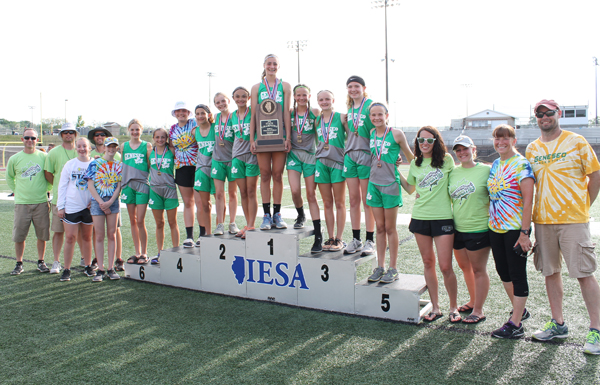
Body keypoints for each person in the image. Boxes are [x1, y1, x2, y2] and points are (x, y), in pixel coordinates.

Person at [526, 100, 600, 354]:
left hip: (573, 220)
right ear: (535, 117)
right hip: (543, 221)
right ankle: (558, 324)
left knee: (583, 273)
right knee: (550, 272)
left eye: (549, 113)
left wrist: (584, 205)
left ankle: (597, 330)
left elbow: (595, 174)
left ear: (558, 114)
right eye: (540, 114)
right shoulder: (532, 148)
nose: (544, 117)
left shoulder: (577, 141)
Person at [487, 124, 534, 339]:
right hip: (495, 228)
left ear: (514, 141)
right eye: (497, 138)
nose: (501, 142)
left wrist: (525, 232)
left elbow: (528, 201)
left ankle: (515, 324)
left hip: (514, 228)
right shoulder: (496, 163)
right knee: (502, 272)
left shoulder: (521, 164)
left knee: (516, 274)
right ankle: (519, 310)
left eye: (505, 138)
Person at [406, 126, 458, 322]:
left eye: (429, 140)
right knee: (428, 262)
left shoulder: (447, 161)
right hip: (420, 217)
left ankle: (454, 307)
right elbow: (410, 189)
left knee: (446, 266)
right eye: (421, 141)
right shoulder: (415, 163)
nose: (425, 144)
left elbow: (455, 181)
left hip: (443, 218)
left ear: (436, 141)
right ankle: (435, 307)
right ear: (417, 143)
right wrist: (395, 171)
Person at [364, 103, 414, 283]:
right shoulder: (371, 133)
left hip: (390, 185)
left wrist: (414, 181)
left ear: (387, 115)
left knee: (390, 228)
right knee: (379, 228)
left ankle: (393, 268)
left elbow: (411, 158)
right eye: (373, 115)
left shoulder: (397, 133)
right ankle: (380, 266)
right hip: (373, 184)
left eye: (380, 114)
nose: (376, 118)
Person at [448, 135, 491, 324]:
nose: (462, 153)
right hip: (457, 228)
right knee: (465, 267)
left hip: (479, 227)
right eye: (458, 150)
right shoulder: (453, 172)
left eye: (465, 149)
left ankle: (479, 310)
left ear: (474, 150)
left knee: (479, 269)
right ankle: (473, 301)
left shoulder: (486, 170)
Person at [249, 54, 292, 230]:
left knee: (277, 175)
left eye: (275, 64)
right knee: (265, 175)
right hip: (263, 137)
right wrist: (252, 139)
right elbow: (253, 115)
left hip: (279, 136)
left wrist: (287, 137)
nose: (272, 66)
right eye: (269, 63)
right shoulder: (256, 87)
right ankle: (266, 215)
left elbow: (287, 113)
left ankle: (277, 214)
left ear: (278, 66)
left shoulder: (285, 86)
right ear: (264, 65)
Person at [7, 129, 50, 275]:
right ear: (22, 139)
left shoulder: (44, 156)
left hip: (41, 202)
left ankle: (41, 261)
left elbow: (50, 175)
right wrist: (17, 192)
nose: (30, 140)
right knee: (19, 235)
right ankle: (19, 262)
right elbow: (9, 177)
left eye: (33, 138)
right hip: (22, 203)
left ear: (37, 140)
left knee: (42, 235)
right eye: (27, 137)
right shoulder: (15, 158)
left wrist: (47, 189)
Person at [343, 76, 375, 256]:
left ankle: (370, 239)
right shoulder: (349, 109)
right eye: (350, 86)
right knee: (353, 200)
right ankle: (356, 238)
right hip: (350, 155)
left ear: (363, 88)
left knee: (367, 200)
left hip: (366, 154)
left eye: (356, 86)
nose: (353, 89)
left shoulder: (370, 106)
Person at [288, 84, 322, 249]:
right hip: (294, 154)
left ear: (309, 96)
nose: (301, 98)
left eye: (304, 95)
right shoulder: (289, 113)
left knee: (311, 194)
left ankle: (318, 235)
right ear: (294, 97)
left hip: (310, 155)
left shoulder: (315, 112)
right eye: (298, 95)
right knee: (295, 191)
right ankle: (301, 215)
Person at [84, 137, 123, 282]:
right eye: (109, 146)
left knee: (112, 235)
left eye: (114, 147)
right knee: (99, 235)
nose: (111, 149)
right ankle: (100, 269)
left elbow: (119, 185)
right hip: (97, 203)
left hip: (112, 203)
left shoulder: (119, 165)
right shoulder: (95, 163)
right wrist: (101, 203)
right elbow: (90, 185)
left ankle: (110, 268)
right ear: (105, 147)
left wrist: (111, 201)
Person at [56, 137, 94, 281]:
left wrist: (95, 201)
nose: (82, 149)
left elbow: (99, 185)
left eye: (85, 146)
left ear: (89, 148)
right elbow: (62, 185)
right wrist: (61, 206)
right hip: (72, 206)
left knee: (86, 237)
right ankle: (66, 269)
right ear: (75, 148)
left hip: (88, 208)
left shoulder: (94, 164)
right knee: (70, 238)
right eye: (79, 146)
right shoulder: (70, 164)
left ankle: (88, 266)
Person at [315, 90, 348, 252]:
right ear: (317, 101)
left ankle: (339, 238)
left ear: (333, 100)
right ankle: (330, 237)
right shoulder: (316, 120)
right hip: (321, 163)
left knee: (339, 202)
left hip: (338, 163)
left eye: (327, 99)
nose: (324, 101)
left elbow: (355, 135)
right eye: (321, 99)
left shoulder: (342, 117)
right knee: (327, 203)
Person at [44, 123, 78, 274]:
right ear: (61, 135)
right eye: (65, 132)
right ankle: (56, 261)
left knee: (83, 233)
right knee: (58, 232)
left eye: (71, 132)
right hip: (61, 199)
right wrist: (59, 186)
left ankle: (85, 260)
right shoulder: (54, 153)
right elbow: (48, 173)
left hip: (79, 200)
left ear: (75, 135)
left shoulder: (81, 150)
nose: (68, 135)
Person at [121, 119, 152, 264]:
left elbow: (151, 165)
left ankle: (144, 253)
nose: (134, 132)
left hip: (142, 185)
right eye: (132, 129)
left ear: (141, 130)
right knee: (132, 220)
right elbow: (122, 166)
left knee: (140, 220)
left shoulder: (147, 146)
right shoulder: (124, 146)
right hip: (128, 186)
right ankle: (137, 252)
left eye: (137, 129)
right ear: (128, 130)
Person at [230, 86, 259, 239]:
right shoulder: (231, 116)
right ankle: (247, 224)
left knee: (251, 191)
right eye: (237, 96)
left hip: (252, 155)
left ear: (248, 98)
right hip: (237, 157)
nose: (240, 99)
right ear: (233, 98)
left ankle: (252, 225)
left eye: (243, 96)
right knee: (242, 192)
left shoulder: (253, 113)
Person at [169, 101, 198, 247]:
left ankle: (204, 235)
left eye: (184, 111)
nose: (181, 113)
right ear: (174, 113)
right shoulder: (172, 129)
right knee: (188, 202)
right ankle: (190, 236)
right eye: (178, 111)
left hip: (198, 166)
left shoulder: (194, 123)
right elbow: (172, 148)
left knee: (202, 202)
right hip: (181, 167)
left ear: (188, 113)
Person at [148, 128, 179, 265]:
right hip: (155, 190)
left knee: (173, 222)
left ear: (166, 138)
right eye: (157, 137)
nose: (160, 140)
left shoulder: (171, 151)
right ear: (154, 138)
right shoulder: (149, 152)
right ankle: (160, 253)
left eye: (163, 137)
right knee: (159, 223)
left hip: (169, 189)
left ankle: (176, 252)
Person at [212, 92, 239, 235]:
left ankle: (232, 223)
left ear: (229, 100)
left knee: (233, 193)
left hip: (232, 159)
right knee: (219, 194)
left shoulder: (235, 116)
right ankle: (220, 223)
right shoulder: (215, 117)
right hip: (217, 160)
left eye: (223, 101)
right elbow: (201, 121)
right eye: (217, 102)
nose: (221, 104)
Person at [193, 104, 216, 244]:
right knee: (204, 204)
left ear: (208, 114)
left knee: (219, 198)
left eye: (203, 113)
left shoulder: (216, 128)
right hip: (201, 169)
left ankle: (220, 230)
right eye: (197, 114)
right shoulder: (194, 131)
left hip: (217, 167)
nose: (200, 116)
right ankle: (207, 234)